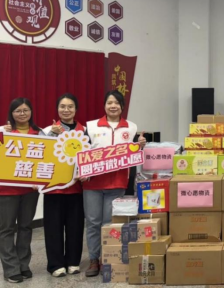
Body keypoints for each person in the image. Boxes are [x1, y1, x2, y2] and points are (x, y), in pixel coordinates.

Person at [82, 91, 146, 278]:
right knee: (93, 223)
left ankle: (108, 257)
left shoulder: (131, 127)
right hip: (92, 183)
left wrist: (140, 145)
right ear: (104, 105)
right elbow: (82, 151)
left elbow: (133, 154)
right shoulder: (91, 126)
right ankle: (94, 259)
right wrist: (82, 171)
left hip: (117, 183)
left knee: (110, 223)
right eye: (109, 102)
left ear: (122, 106)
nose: (113, 106)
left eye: (117, 103)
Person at [0, 98, 44, 284]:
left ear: (31, 112)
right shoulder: (4, 133)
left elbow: (46, 159)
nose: (22, 114)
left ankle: (23, 264)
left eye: (25, 110)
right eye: (18, 111)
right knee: (7, 229)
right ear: (11, 113)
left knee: (26, 226)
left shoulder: (39, 133)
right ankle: (11, 268)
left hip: (30, 190)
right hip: (6, 190)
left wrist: (40, 181)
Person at [41, 94, 85, 278]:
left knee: (75, 226)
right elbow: (40, 154)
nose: (66, 110)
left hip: (76, 188)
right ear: (57, 109)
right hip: (53, 188)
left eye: (70, 106)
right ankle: (56, 264)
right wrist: (52, 135)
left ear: (76, 109)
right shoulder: (47, 131)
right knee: (53, 227)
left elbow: (90, 156)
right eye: (62, 106)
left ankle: (73, 262)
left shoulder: (85, 131)